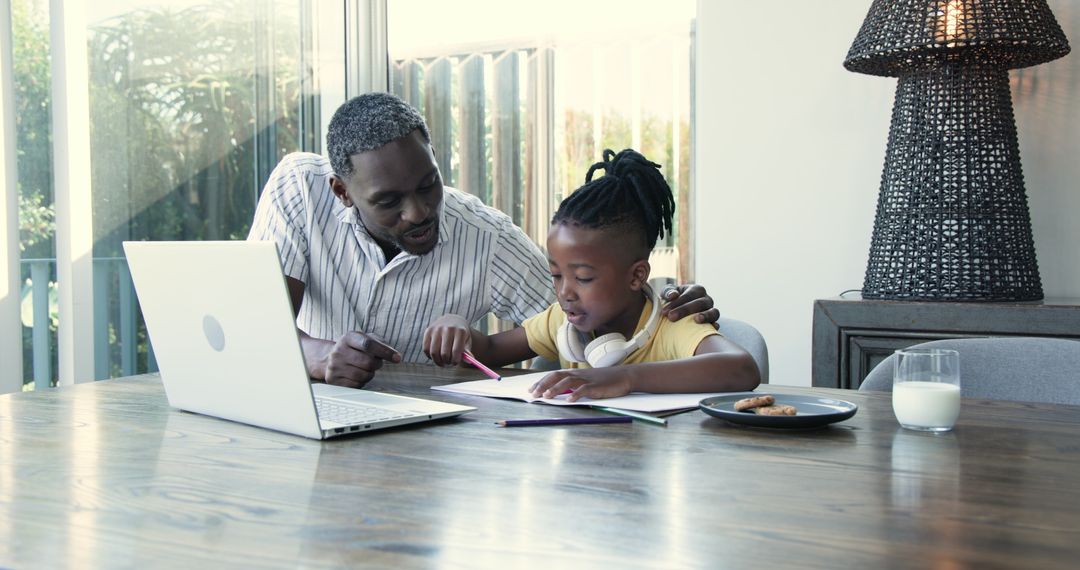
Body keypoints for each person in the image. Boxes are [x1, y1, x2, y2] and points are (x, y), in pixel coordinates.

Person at [249, 92, 720, 388]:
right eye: (390, 200)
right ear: (342, 192)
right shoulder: (301, 187)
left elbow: (582, 318)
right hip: (303, 406)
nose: (418, 212)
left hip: (425, 443)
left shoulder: (488, 239)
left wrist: (661, 299)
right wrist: (315, 354)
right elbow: (255, 323)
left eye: (428, 185)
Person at [423, 148, 760, 401]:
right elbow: (490, 352)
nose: (565, 292)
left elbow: (741, 367)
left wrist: (624, 377)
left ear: (636, 276)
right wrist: (458, 327)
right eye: (556, 275)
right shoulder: (562, 321)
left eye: (583, 278)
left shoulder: (670, 324)